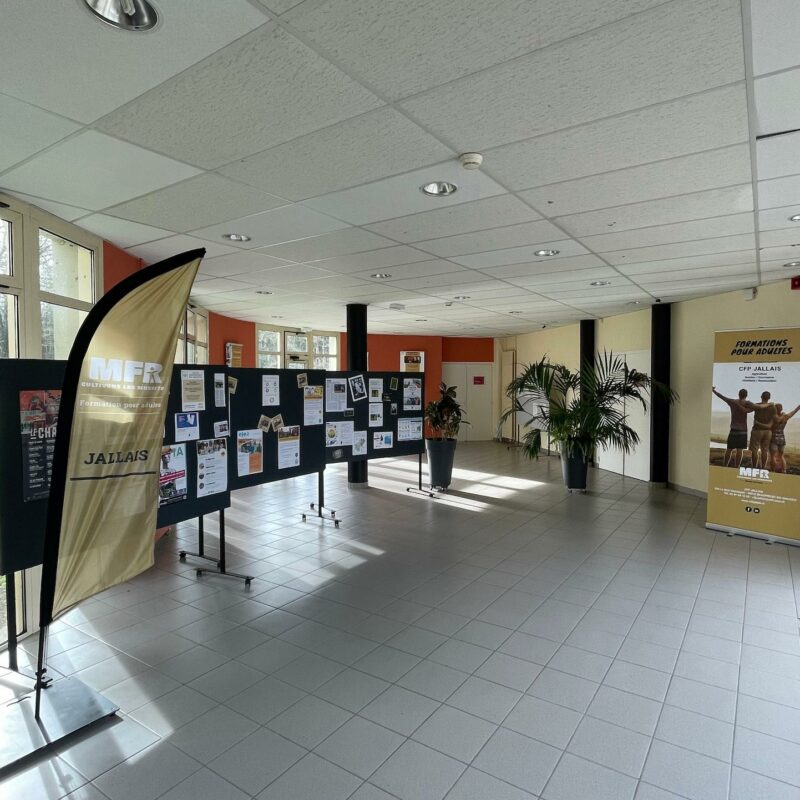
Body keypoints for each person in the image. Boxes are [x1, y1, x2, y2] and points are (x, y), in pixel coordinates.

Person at [712, 386, 754, 467]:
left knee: (729, 449)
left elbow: (722, 397)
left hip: (734, 429)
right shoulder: (748, 403)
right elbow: (756, 408)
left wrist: (714, 391)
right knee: (740, 450)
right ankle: (737, 467)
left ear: (738, 394)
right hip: (743, 430)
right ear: (746, 395)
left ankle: (725, 465)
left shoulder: (733, 402)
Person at [749, 391, 778, 469]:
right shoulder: (773, 407)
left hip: (757, 430)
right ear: (769, 398)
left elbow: (747, 410)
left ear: (761, 396)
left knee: (755, 450)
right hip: (768, 432)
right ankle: (763, 467)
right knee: (764, 450)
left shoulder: (757, 405)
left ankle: (754, 467)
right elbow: (776, 419)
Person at [770, 402, 800, 473]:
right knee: (781, 456)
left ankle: (773, 470)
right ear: (781, 409)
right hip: (782, 439)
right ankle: (784, 470)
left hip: (773, 438)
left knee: (773, 456)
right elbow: (794, 412)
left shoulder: (773, 417)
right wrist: (798, 407)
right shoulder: (785, 417)